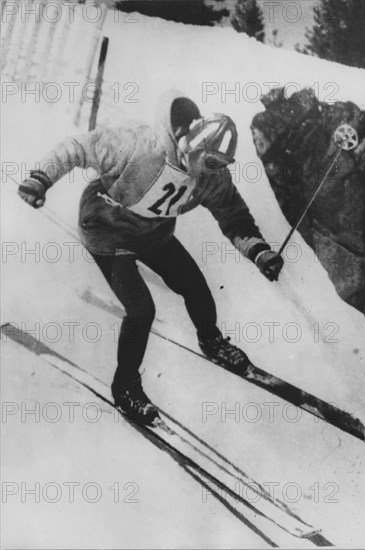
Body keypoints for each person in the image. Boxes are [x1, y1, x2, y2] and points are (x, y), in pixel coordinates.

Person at [18, 90, 284, 425]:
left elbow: (234, 216)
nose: (206, 170)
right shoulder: (139, 145)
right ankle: (125, 386)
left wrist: (259, 252)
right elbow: (76, 148)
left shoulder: (212, 177)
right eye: (205, 159)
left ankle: (211, 341)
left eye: (217, 165)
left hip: (152, 233)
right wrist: (40, 179)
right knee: (142, 310)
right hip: (107, 229)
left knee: (196, 286)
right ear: (188, 142)